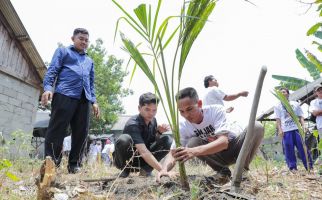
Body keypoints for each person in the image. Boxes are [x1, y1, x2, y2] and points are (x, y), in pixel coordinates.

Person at [156, 87, 264, 184]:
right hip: (216, 156)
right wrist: (164, 170)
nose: (186, 115)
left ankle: (242, 172)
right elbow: (173, 152)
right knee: (193, 142)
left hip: (235, 149)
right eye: (181, 111)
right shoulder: (183, 126)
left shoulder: (215, 111)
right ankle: (223, 172)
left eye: (189, 109)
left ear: (199, 104)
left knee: (256, 126)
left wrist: (193, 151)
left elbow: (223, 143)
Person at [41, 28, 100, 174]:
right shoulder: (63, 52)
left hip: (83, 99)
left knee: (81, 132)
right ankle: (52, 164)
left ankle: (74, 164)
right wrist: (48, 88)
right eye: (81, 38)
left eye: (86, 40)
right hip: (64, 95)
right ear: (73, 38)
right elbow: (53, 70)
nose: (84, 42)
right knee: (57, 130)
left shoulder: (89, 60)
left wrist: (94, 101)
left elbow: (91, 82)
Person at [113, 92, 173, 178]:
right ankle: (125, 170)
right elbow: (144, 151)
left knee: (168, 140)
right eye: (147, 109)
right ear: (139, 108)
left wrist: (159, 132)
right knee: (124, 139)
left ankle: (146, 170)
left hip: (143, 159)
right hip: (129, 159)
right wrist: (163, 170)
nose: (151, 113)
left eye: (154, 110)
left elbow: (152, 142)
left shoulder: (153, 121)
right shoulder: (133, 124)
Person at [274, 87, 312, 171]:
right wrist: (280, 129)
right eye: (280, 93)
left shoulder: (295, 104)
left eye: (284, 92)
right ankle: (292, 168)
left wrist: (303, 126)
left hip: (296, 128)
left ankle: (309, 166)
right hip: (286, 130)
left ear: (288, 93)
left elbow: (301, 116)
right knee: (288, 149)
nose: (282, 94)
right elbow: (278, 119)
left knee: (302, 147)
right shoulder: (277, 106)